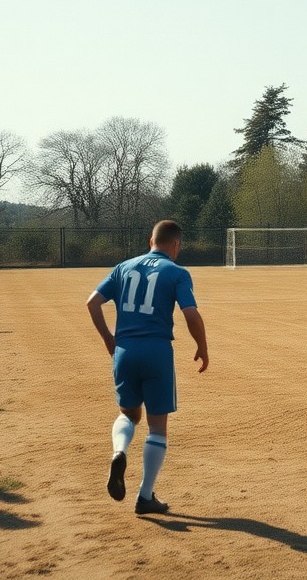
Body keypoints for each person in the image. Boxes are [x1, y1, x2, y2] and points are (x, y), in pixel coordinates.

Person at [86, 220, 208, 515]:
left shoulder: (123, 267)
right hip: (156, 351)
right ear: (176, 244)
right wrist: (202, 346)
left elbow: (92, 303)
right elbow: (190, 314)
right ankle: (144, 496)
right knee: (157, 427)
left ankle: (119, 451)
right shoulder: (177, 272)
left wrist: (108, 339)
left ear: (149, 240)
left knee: (128, 414)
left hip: (124, 351)